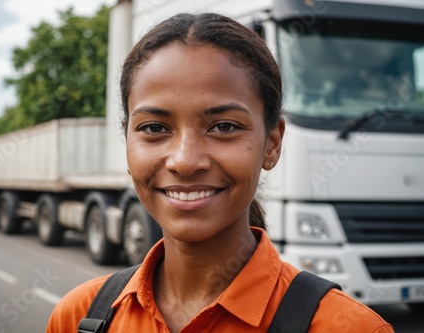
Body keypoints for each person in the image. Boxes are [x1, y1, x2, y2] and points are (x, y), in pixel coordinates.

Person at [46, 12, 394, 333]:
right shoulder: (79, 315)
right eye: (154, 128)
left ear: (272, 144)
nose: (184, 161)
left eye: (224, 126)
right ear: (126, 140)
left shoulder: (347, 327)